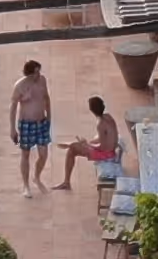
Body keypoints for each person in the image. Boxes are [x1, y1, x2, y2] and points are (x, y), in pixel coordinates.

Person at [56, 96, 121, 191]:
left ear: (92, 110)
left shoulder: (101, 124)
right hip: (110, 150)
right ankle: (71, 145)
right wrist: (89, 142)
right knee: (75, 146)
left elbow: (103, 147)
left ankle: (66, 182)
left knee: (72, 149)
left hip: (106, 154)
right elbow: (104, 137)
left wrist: (86, 145)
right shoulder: (108, 117)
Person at [11, 60, 52, 196]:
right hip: (26, 124)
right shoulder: (20, 86)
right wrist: (12, 129)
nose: (38, 75)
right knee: (26, 154)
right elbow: (13, 107)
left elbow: (47, 98)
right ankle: (26, 185)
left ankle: (37, 176)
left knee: (44, 154)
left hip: (41, 122)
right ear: (29, 74)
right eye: (36, 72)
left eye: (39, 71)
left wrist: (49, 117)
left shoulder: (42, 81)